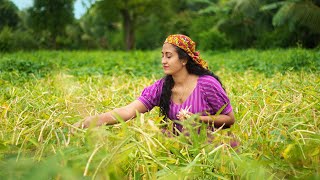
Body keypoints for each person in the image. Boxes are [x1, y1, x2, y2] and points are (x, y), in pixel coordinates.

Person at [73, 34, 235, 134]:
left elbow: (229, 119)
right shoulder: (161, 87)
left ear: (184, 59)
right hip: (176, 150)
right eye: (162, 55)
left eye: (169, 56)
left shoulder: (207, 84)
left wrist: (199, 119)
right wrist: (90, 121)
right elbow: (128, 111)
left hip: (208, 151)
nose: (163, 61)